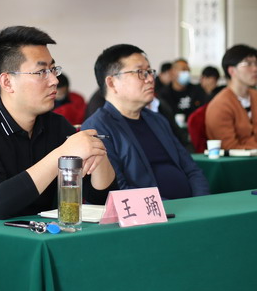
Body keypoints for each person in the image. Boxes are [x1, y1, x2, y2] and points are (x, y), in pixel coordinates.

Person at [0, 26, 115, 224]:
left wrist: (97, 152)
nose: (54, 80)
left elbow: (100, 199)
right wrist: (60, 154)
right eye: (41, 72)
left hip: (39, 234)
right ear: (7, 82)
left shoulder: (56, 125)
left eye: (53, 69)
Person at [82, 44, 209, 199]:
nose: (150, 79)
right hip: (153, 212)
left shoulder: (157, 120)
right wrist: (167, 207)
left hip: (190, 206)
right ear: (112, 83)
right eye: (140, 72)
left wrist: (201, 200)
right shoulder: (97, 127)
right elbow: (117, 190)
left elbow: (192, 170)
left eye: (149, 72)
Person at [205, 44, 257, 150]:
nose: (255, 69)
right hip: (237, 159)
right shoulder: (220, 105)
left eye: (256, 64)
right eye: (248, 64)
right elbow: (229, 147)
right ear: (232, 71)